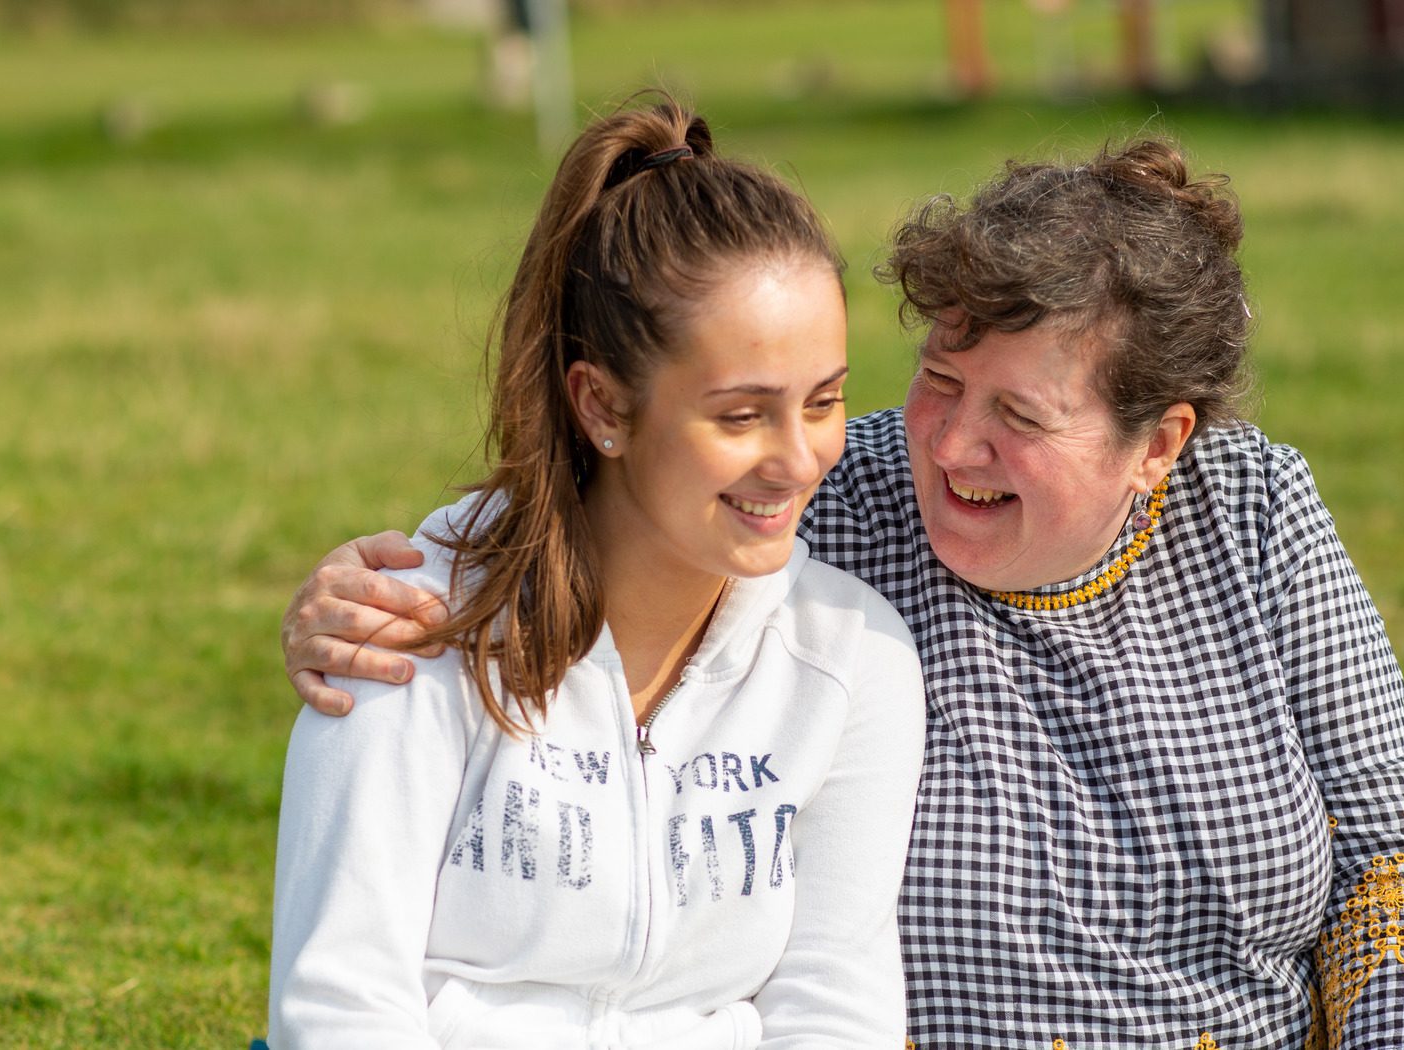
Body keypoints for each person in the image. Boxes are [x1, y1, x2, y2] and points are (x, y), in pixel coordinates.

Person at [281, 138, 1404, 1048]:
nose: (949, 446)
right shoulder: (831, 496)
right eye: (938, 380)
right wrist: (391, 590)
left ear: (1157, 443)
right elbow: (627, 470)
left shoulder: (1255, 518)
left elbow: (1400, 863)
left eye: (1018, 418)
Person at [267, 96, 926, 1049]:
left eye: (824, 401)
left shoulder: (852, 660)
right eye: (741, 416)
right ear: (603, 406)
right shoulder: (413, 626)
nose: (800, 458)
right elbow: (339, 1004)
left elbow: (834, 1006)